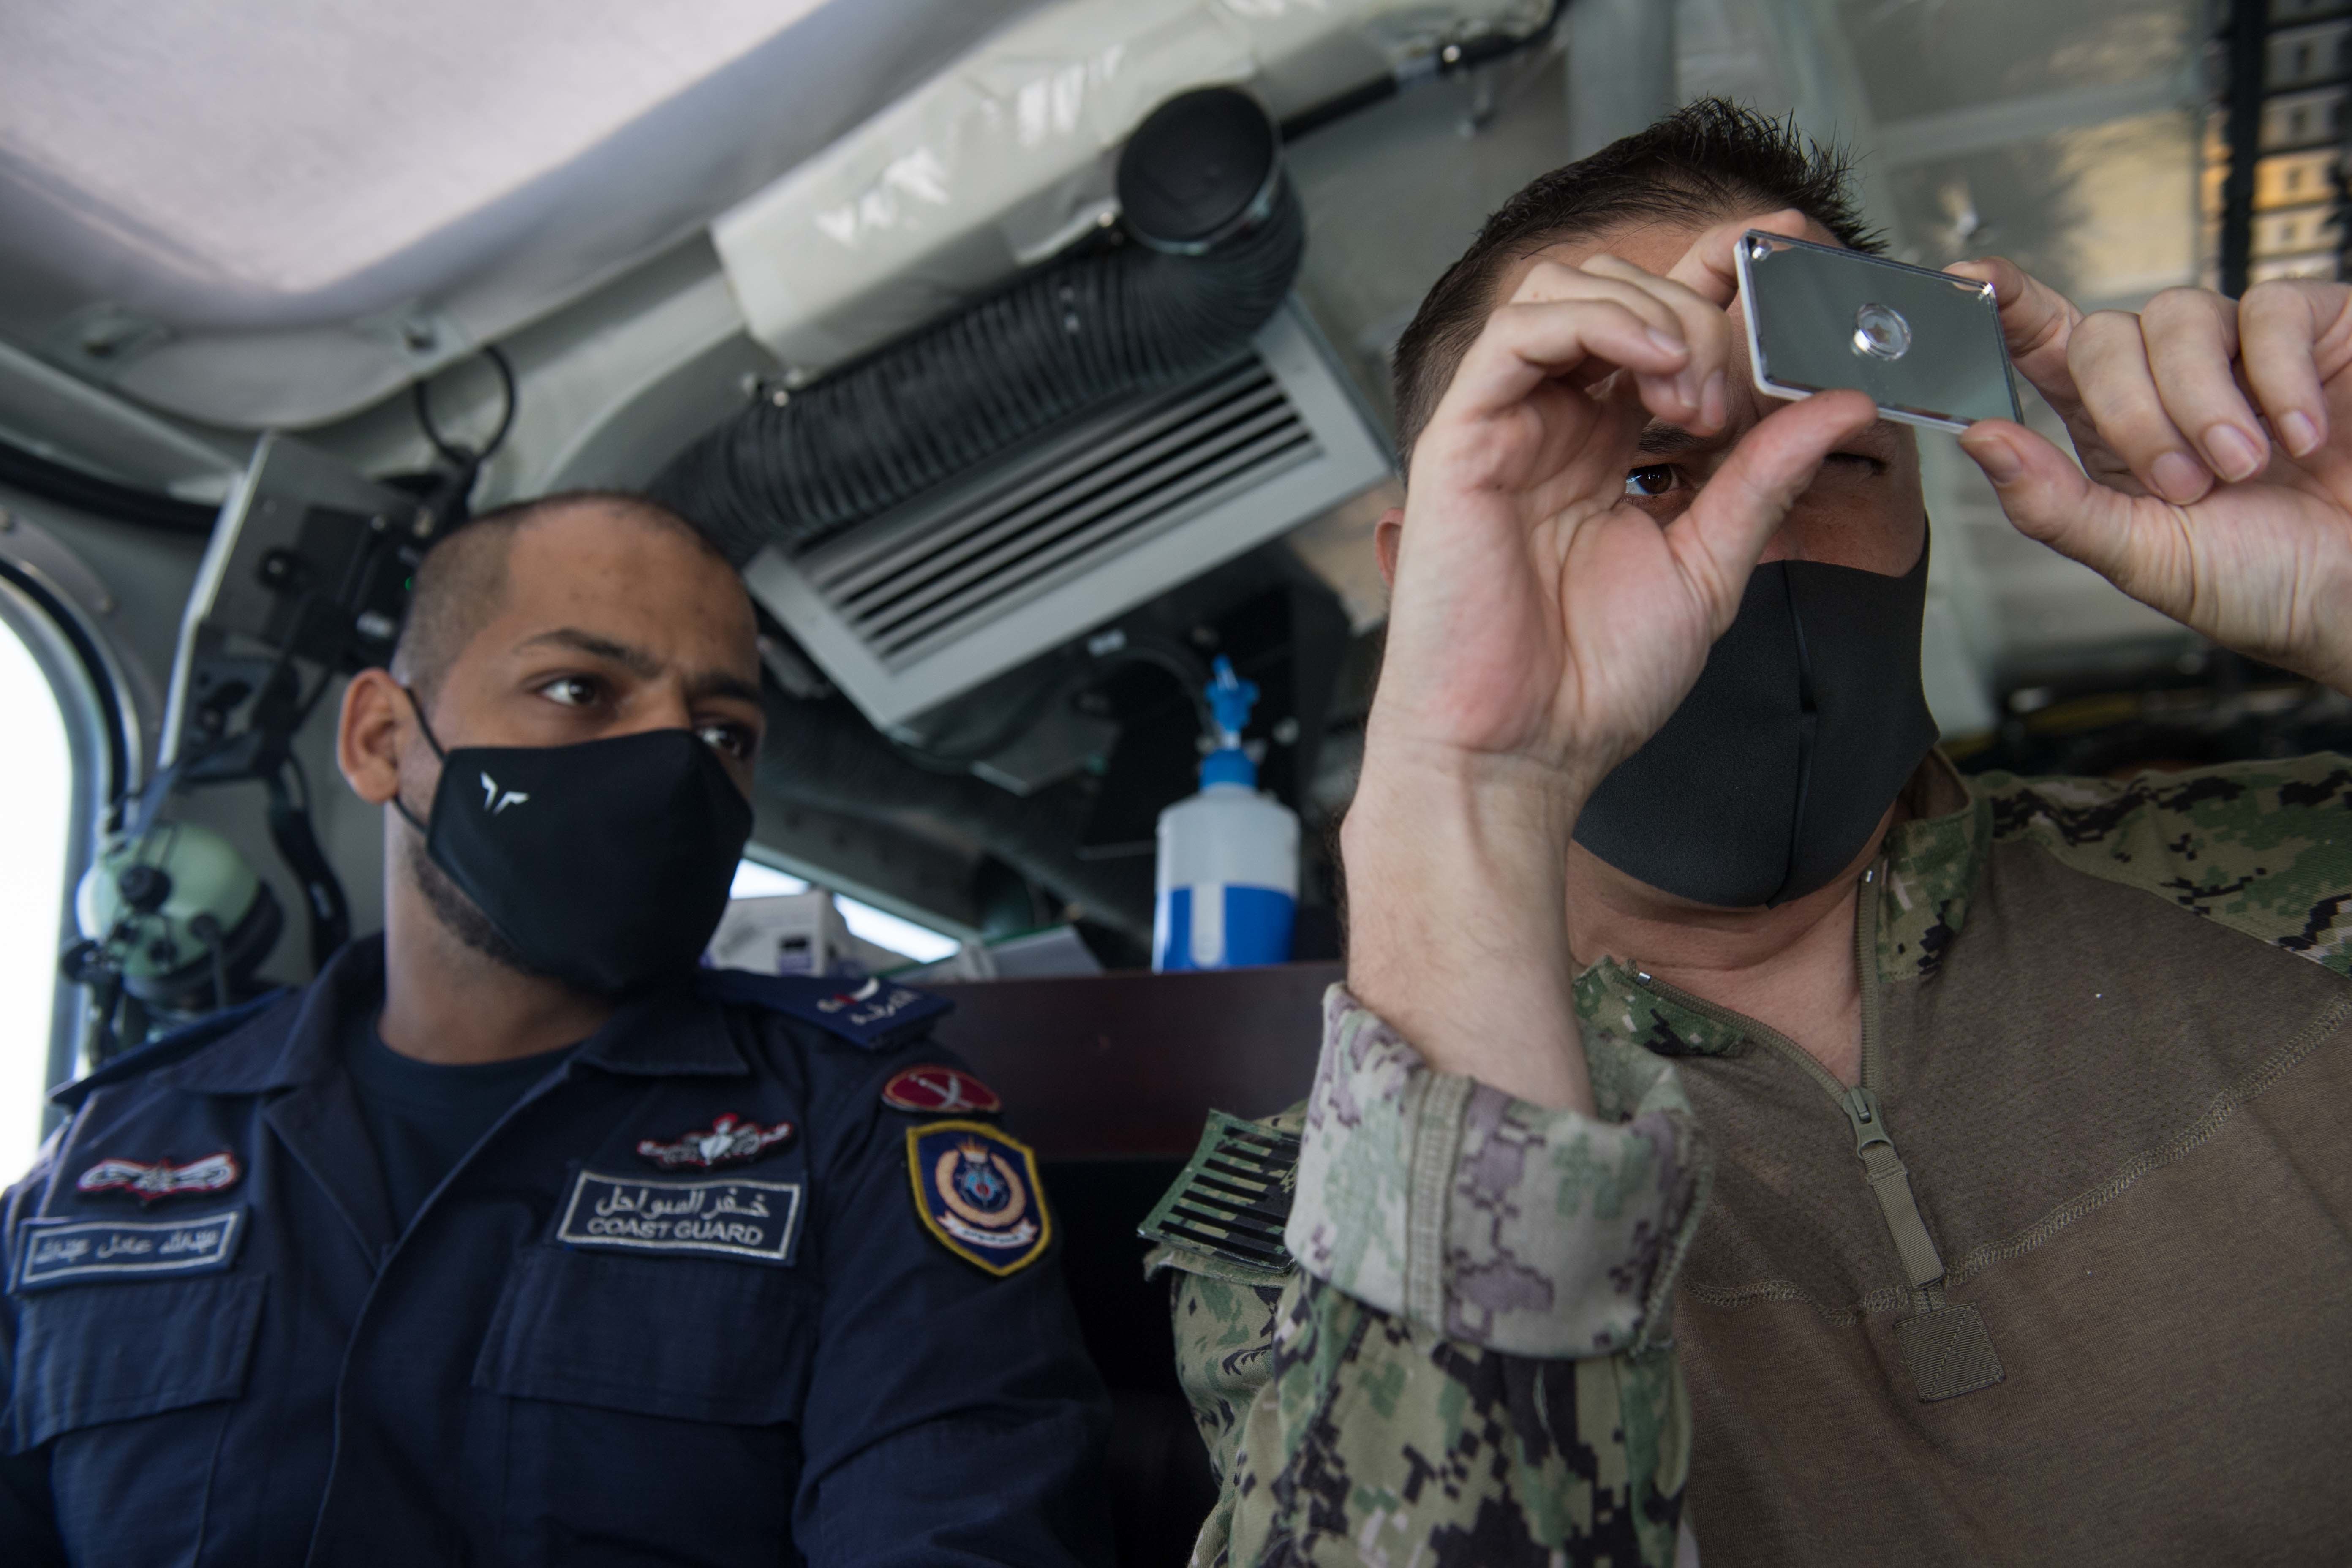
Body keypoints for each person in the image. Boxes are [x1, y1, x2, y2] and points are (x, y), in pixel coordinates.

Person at [1144, 99, 2352, 1566]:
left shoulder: (2291, 877)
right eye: (1648, 471)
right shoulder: (1320, 1216)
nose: (1760, 541)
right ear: (1430, 576)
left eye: (1836, 461)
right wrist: (1462, 784)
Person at [0, 493, 1113, 1566]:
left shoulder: (858, 1135)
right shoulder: (105, 1163)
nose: (674, 763)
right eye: (582, 689)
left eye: (725, 731)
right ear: (384, 738)